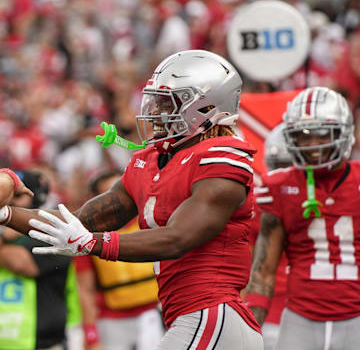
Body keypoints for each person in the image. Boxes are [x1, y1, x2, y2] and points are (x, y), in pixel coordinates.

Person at [4, 50, 263, 350]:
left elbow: (178, 237)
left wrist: (93, 242)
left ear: (205, 107)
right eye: (156, 101)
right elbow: (75, 222)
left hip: (213, 312)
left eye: (169, 105)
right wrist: (5, 213)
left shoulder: (221, 157)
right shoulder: (150, 161)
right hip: (187, 315)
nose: (155, 112)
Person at [246, 86, 360, 350]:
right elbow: (263, 274)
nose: (312, 146)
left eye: (321, 135)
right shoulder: (279, 187)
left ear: (342, 133)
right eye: (303, 136)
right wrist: (250, 330)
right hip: (301, 317)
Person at [75, 169, 163, 350]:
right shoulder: (85, 234)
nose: (118, 202)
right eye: (110, 195)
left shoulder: (152, 219)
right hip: (112, 320)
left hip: (158, 312)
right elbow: (85, 290)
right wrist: (91, 334)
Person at [0, 170, 80, 350]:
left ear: (36, 197)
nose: (9, 201)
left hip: (42, 342)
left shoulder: (51, 230)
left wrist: (4, 236)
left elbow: (21, 264)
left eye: (18, 196)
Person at [248, 123, 292, 350]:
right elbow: (251, 267)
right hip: (271, 309)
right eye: (278, 168)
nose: (283, 177)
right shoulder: (260, 202)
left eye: (289, 167)